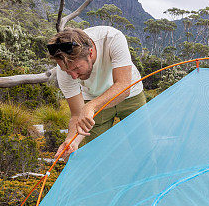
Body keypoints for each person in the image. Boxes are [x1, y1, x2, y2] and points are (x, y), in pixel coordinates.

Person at [47, 26, 146, 160]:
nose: (74, 76)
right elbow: (77, 114)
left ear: (91, 53)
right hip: (93, 98)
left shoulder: (112, 38)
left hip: (130, 95)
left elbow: (123, 86)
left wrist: (90, 107)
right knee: (98, 156)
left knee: (144, 148)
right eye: (68, 71)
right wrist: (71, 141)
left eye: (76, 68)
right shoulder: (64, 72)